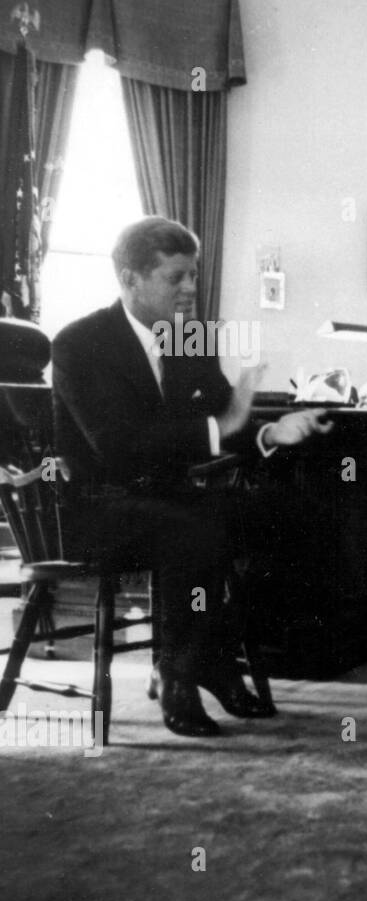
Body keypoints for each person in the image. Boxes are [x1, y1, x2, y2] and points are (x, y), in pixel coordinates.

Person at [52, 216, 332, 737]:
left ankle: (204, 653)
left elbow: (229, 422)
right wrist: (218, 426)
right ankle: (184, 672)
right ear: (130, 279)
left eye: (193, 276)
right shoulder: (80, 343)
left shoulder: (192, 341)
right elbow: (116, 447)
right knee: (195, 530)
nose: (188, 289)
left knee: (292, 518)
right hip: (100, 506)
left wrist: (272, 434)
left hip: (171, 500)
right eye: (175, 277)